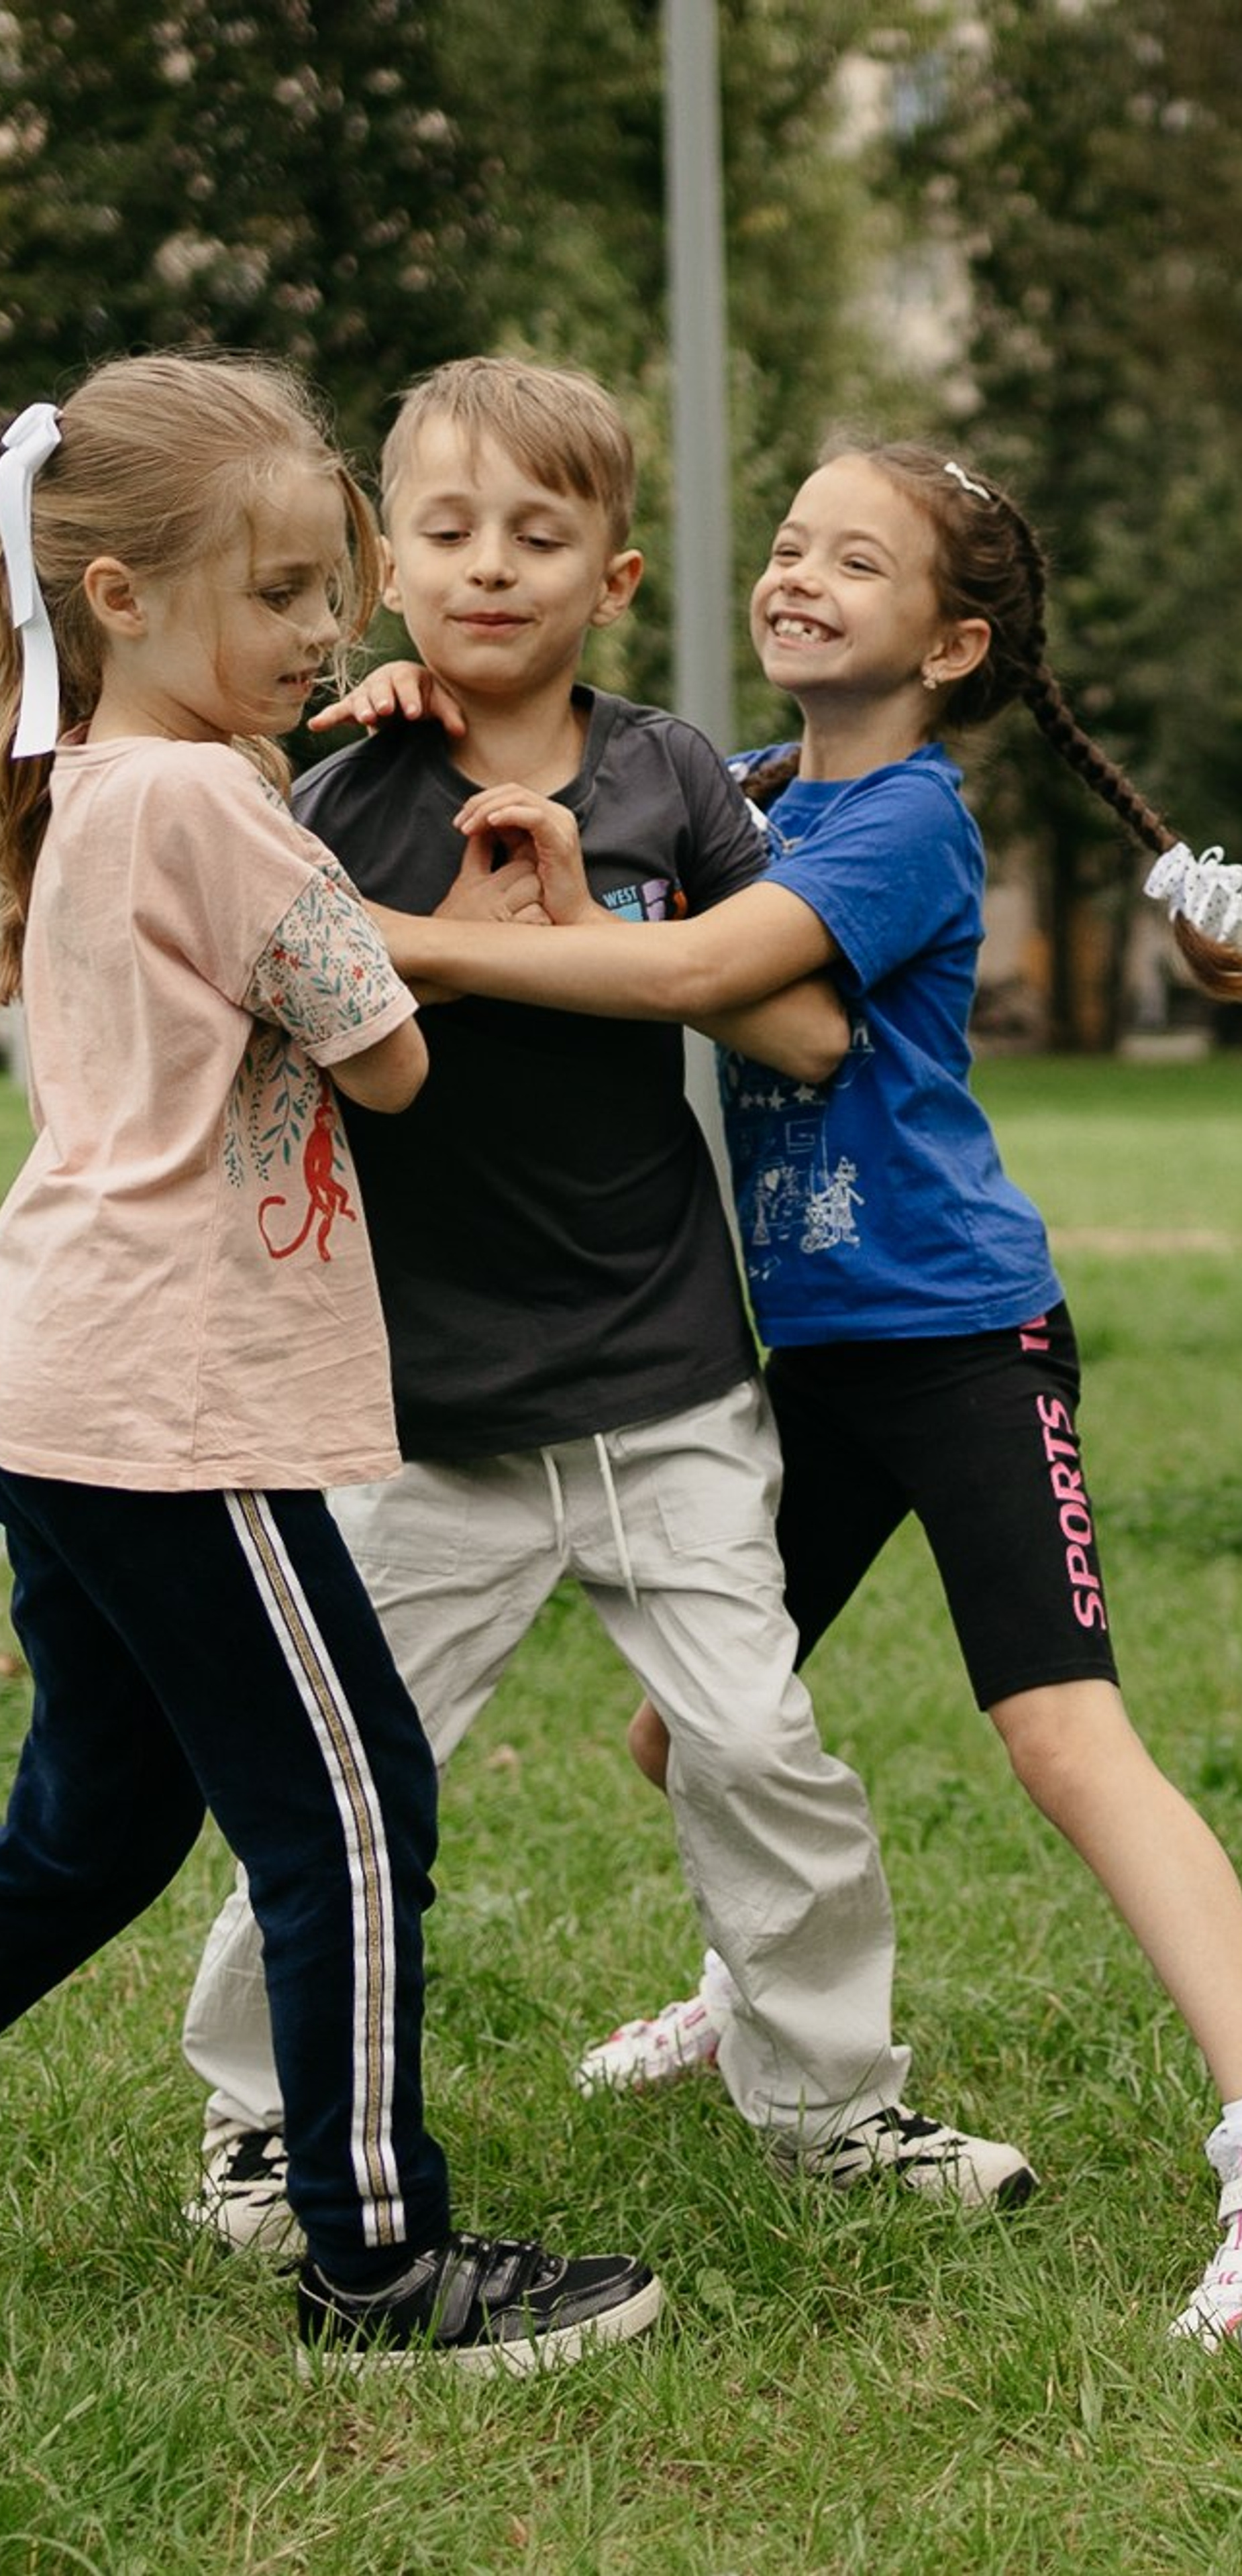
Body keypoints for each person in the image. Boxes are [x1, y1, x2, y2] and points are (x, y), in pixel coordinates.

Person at [358, 438, 1242, 2353]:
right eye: (788, 546)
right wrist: (409, 701)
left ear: (949, 647)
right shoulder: (748, 785)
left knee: (1063, 1738)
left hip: (959, 1339)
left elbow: (707, 962)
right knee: (686, 1744)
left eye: (857, 563)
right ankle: (770, 2000)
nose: (797, 578)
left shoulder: (904, 823)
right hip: (814, 1354)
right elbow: (605, 819)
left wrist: (407, 945)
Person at [180, 359, 1035, 2261]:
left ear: (617, 577)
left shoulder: (670, 779)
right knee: (340, 1788)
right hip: (421, 1417)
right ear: (390, 567)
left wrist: (589, 934)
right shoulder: (336, 791)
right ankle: (261, 2125)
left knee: (761, 1750)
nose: (495, 569)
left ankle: (833, 2106)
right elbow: (278, 1035)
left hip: (665, 1390)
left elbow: (807, 1025)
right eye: (455, 534)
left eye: (542, 537)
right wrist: (459, 949)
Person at [0, 352, 662, 2375]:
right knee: (354, 1806)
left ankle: (366, 2240)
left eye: (327, 591)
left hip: (60, 1386)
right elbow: (389, 1057)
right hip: (184, 1399)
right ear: (117, 594)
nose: (323, 632)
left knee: (94, 1828)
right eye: (282, 591)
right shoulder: (215, 797)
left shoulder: (87, 789)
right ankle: (379, 2262)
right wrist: (422, 919)